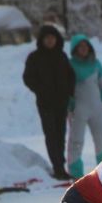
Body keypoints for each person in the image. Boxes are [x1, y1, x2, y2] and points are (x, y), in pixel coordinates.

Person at [23, 25, 75, 180]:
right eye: (47, 38)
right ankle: (57, 167)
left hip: (61, 102)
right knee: (51, 134)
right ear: (42, 40)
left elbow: (71, 76)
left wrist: (68, 92)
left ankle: (61, 165)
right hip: (45, 103)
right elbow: (28, 78)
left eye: (53, 38)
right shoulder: (34, 57)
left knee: (60, 134)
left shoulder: (62, 56)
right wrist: (40, 90)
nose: (50, 41)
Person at [67, 34, 102, 179]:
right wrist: (70, 104)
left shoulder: (96, 64)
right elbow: (65, 86)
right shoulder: (69, 65)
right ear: (75, 49)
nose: (83, 49)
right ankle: (75, 172)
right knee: (76, 141)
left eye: (85, 46)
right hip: (78, 110)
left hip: (98, 108)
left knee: (101, 140)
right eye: (80, 46)